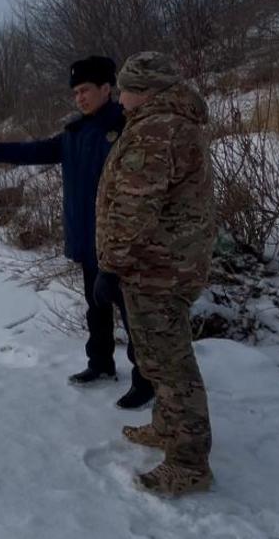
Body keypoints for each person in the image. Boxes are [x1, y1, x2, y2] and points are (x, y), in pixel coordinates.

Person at [0, 56, 154, 410]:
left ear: (106, 89)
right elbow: (36, 150)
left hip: (121, 241)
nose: (79, 97)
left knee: (132, 312)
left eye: (85, 90)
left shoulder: (128, 127)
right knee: (95, 306)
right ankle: (100, 365)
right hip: (86, 238)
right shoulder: (74, 133)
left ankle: (146, 379)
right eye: (75, 92)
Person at [95, 51, 217, 497]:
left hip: (156, 268)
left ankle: (188, 464)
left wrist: (110, 266)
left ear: (144, 91)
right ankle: (167, 427)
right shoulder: (172, 125)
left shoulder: (156, 132)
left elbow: (132, 211)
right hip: (168, 263)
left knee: (170, 365)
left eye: (124, 89)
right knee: (159, 355)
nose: (120, 97)